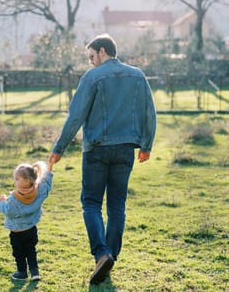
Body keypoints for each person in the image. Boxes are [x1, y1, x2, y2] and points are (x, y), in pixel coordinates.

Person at [48, 33, 157, 285]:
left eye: (91, 56)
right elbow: (149, 113)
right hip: (125, 150)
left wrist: (59, 148)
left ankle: (102, 254)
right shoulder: (138, 76)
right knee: (117, 205)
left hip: (96, 150)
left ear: (102, 51)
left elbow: (75, 115)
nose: (90, 62)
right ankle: (110, 257)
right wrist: (146, 145)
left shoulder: (92, 77)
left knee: (91, 202)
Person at [0, 160, 54, 282]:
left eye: (17, 179)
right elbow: (47, 182)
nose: (15, 181)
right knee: (31, 251)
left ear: (27, 180)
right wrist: (50, 166)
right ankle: (35, 272)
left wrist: (1, 202)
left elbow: (8, 211)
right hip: (31, 230)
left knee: (19, 253)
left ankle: (22, 273)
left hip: (17, 233)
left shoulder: (13, 199)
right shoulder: (39, 191)